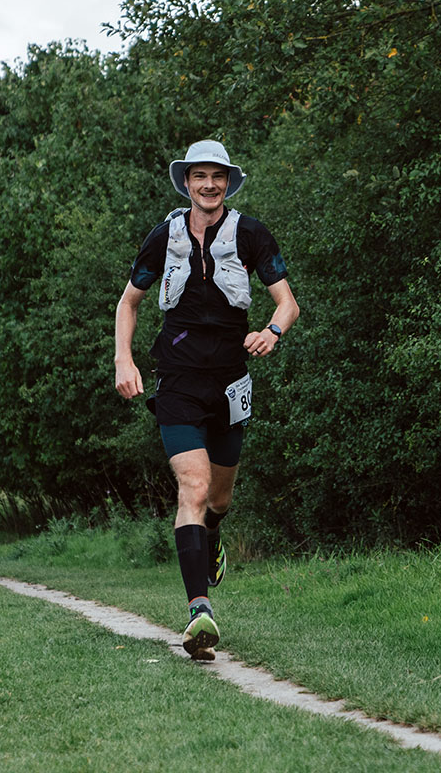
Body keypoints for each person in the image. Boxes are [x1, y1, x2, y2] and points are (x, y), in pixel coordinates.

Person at [113, 140, 299, 661]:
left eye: (217, 176)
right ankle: (199, 611)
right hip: (176, 382)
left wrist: (272, 331)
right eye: (200, 176)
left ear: (228, 182)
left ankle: (211, 535)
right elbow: (129, 303)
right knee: (191, 487)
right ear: (187, 182)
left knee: (218, 500)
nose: (209, 185)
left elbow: (287, 303)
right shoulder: (164, 236)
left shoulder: (250, 233)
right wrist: (123, 360)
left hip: (230, 385)